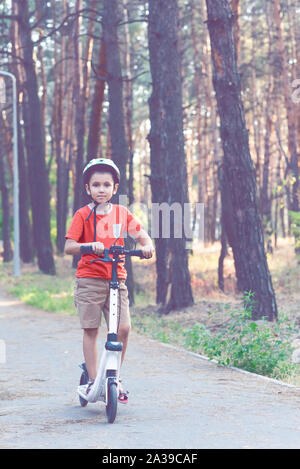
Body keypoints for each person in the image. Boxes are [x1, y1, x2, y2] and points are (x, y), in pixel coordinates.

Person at [64, 158, 154, 403]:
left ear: (115, 188)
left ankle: (114, 377)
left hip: (117, 279)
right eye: (96, 185)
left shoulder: (122, 213)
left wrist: (147, 246)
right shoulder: (82, 215)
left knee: (123, 328)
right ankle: (94, 378)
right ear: (88, 189)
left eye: (106, 185)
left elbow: (142, 235)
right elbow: (69, 246)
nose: (101, 189)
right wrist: (86, 246)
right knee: (91, 329)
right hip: (89, 279)